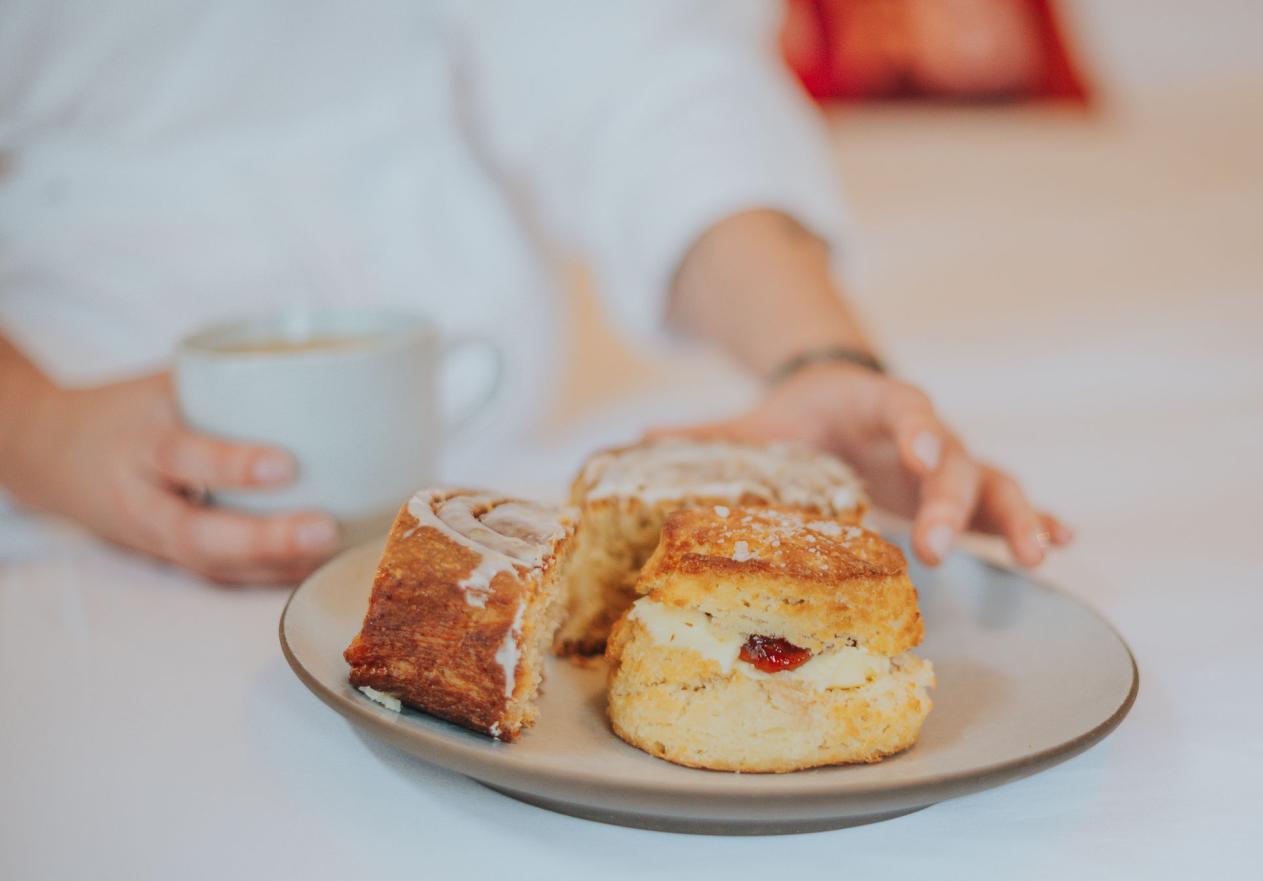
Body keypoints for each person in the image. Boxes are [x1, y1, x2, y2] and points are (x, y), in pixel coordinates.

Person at [0, 0, 1070, 586]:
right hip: (72, 498)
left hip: (493, 463)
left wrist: (820, 358)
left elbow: (634, 76)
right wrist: (39, 431)